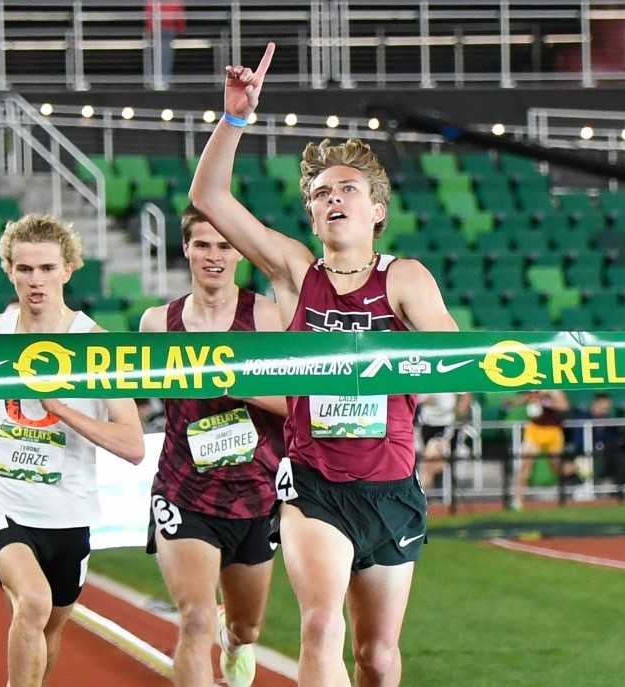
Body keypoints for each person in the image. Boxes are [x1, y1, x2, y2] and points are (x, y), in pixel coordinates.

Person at [190, 42, 458, 687]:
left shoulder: (406, 279)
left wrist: (389, 368)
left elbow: (452, 361)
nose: (333, 197)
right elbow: (210, 196)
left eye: (348, 189)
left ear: (377, 211)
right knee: (320, 626)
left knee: (378, 656)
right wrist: (235, 118)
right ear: (311, 213)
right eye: (320, 192)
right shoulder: (293, 270)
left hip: (391, 484)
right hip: (314, 482)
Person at [0, 214, 145, 687]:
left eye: (47, 269)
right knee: (33, 601)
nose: (36, 280)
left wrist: (61, 408)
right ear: (9, 269)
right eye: (25, 269)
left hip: (68, 511)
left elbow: (132, 445)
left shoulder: (96, 347)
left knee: (51, 627)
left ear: (69, 269)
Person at [140, 204, 286, 687]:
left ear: (240, 253)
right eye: (202, 244)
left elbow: (299, 406)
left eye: (225, 246)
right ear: (185, 248)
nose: (214, 256)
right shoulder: (157, 323)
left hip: (254, 493)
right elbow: (132, 393)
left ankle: (234, 643)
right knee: (195, 618)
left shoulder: (265, 317)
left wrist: (235, 383)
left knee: (246, 627)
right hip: (184, 491)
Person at [510, 390, 570, 507]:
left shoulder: (554, 391)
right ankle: (518, 500)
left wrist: (546, 402)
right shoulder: (533, 389)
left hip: (553, 430)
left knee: (556, 467)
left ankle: (577, 468)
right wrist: (515, 402)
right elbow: (523, 400)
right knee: (525, 465)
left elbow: (564, 407)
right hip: (535, 429)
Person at [417, 393, 472, 490]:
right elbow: (417, 399)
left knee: (434, 454)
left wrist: (459, 411)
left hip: (447, 424)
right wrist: (425, 400)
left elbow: (466, 396)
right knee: (428, 458)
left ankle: (436, 486)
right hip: (427, 424)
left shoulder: (450, 379)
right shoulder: (424, 379)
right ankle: (432, 487)